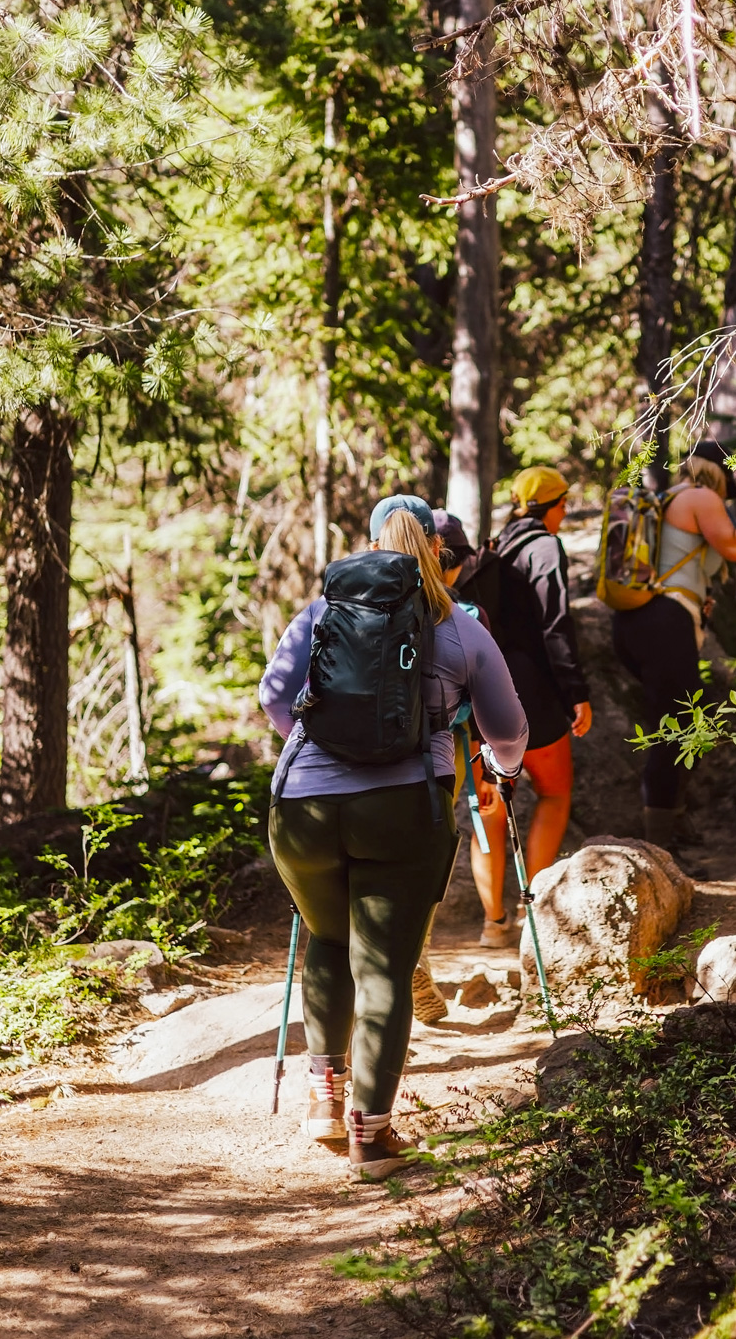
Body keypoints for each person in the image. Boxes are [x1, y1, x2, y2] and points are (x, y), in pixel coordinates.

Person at [259, 494, 528, 1180]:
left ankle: (323, 1102)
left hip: (302, 808)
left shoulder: (322, 614)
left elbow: (273, 696)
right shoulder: (459, 625)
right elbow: (508, 727)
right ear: (436, 551)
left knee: (327, 939)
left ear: (372, 547)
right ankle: (371, 1139)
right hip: (404, 806)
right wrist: (503, 771)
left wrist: (318, 744)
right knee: (382, 968)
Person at [611, 452, 736, 850]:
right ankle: (661, 849)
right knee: (674, 734)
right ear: (720, 473)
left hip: (636, 623)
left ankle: (672, 828)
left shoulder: (672, 496)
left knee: (681, 727)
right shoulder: (702, 496)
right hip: (663, 624)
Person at [471, 466, 592, 947]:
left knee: (491, 809)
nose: (565, 513)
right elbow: (555, 625)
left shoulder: (495, 547)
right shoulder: (545, 547)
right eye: (565, 503)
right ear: (554, 505)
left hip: (484, 691)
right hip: (534, 694)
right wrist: (576, 692)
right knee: (554, 793)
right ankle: (533, 913)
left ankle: (493, 923)